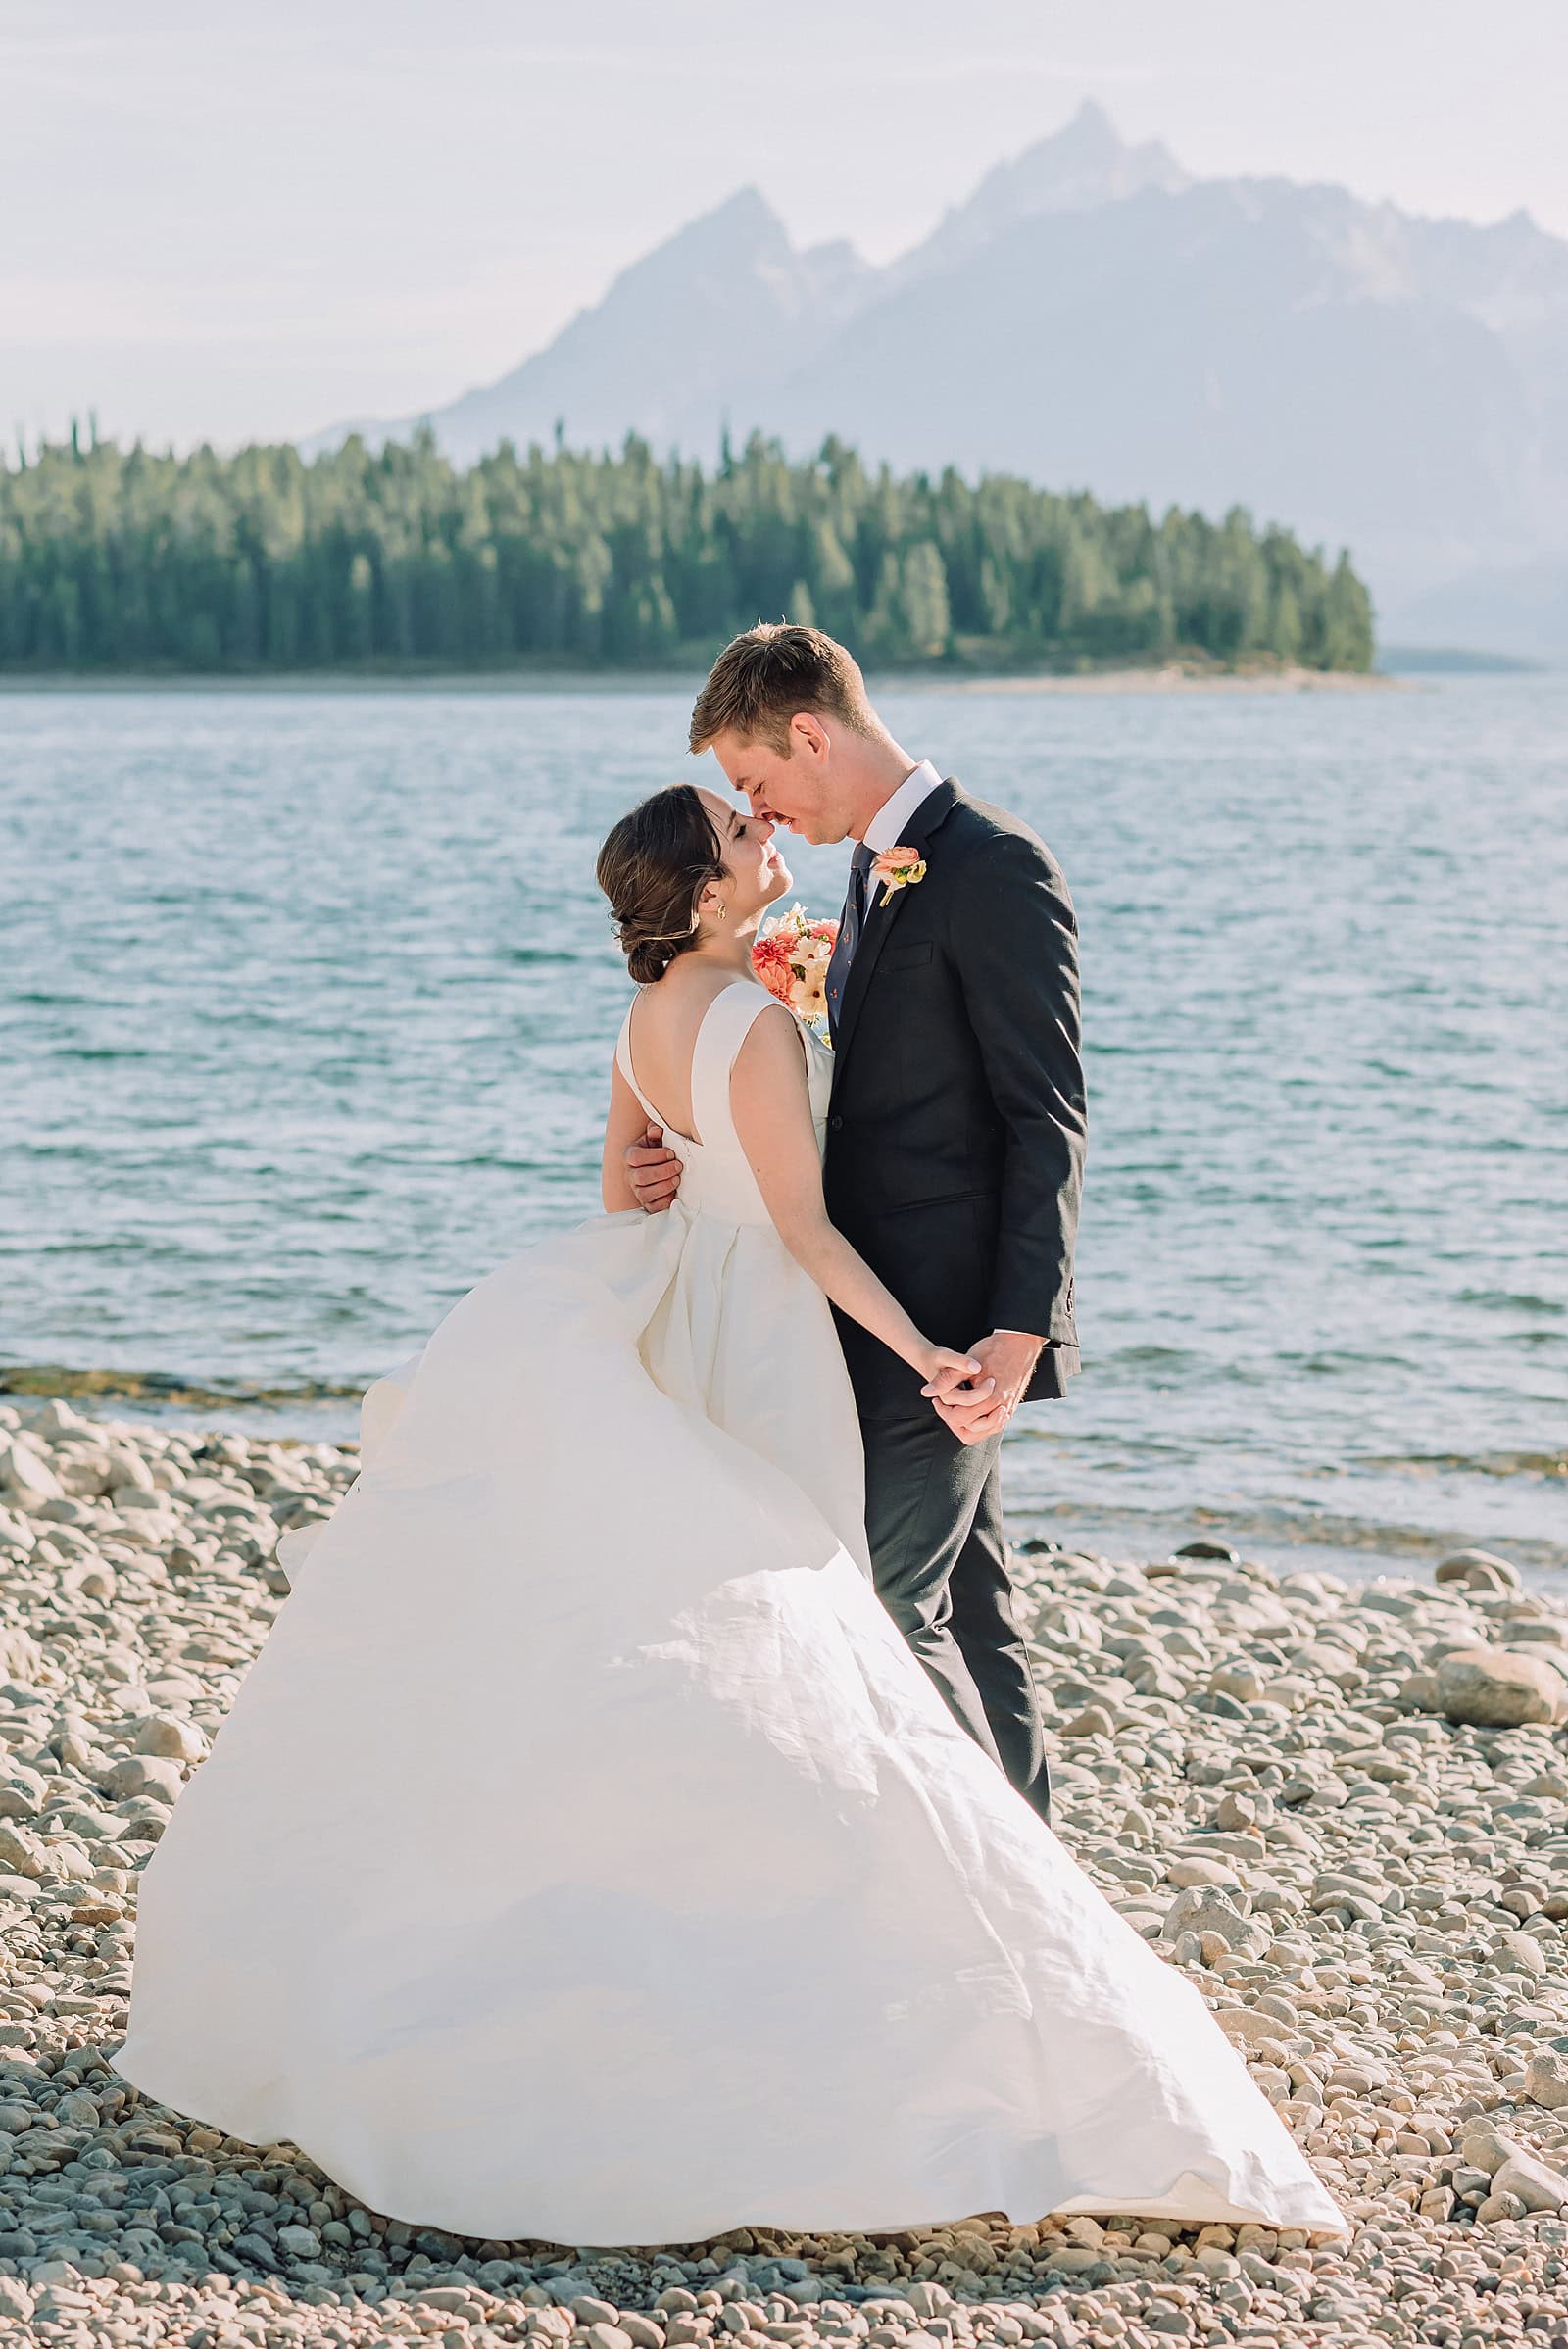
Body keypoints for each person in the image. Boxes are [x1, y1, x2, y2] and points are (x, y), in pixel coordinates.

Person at [116, 777, 1341, 2248]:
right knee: (798, 1645)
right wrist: (933, 1351)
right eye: (749, 840)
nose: (774, 847)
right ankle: (846, 1964)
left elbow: (633, 1197)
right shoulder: (755, 1025)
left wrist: (682, 1149)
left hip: (674, 1316)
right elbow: (810, 1232)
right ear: (702, 893)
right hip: (764, 1337)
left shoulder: (641, 1015)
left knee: (697, 1651)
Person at [627, 625, 1083, 1822]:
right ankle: (1036, 1878)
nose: (758, 812)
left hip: (945, 1320)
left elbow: (1047, 1121)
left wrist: (1019, 1330)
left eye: (758, 780)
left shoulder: (992, 866)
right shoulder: (867, 865)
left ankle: (990, 1885)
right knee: (966, 1604)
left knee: (890, 1597)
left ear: (812, 734)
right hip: (863, 1309)